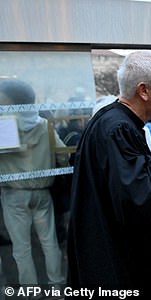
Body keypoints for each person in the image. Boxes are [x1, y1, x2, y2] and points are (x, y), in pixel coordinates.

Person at [67, 51, 151, 298]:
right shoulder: (118, 129)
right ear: (144, 90)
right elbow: (142, 198)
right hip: (116, 261)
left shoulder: (110, 120)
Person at [0, 78, 67, 286]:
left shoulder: (4, 125)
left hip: (14, 193)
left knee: (22, 248)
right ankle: (57, 285)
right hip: (43, 192)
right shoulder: (44, 124)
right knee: (50, 243)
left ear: (11, 102)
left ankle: (31, 291)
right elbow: (63, 156)